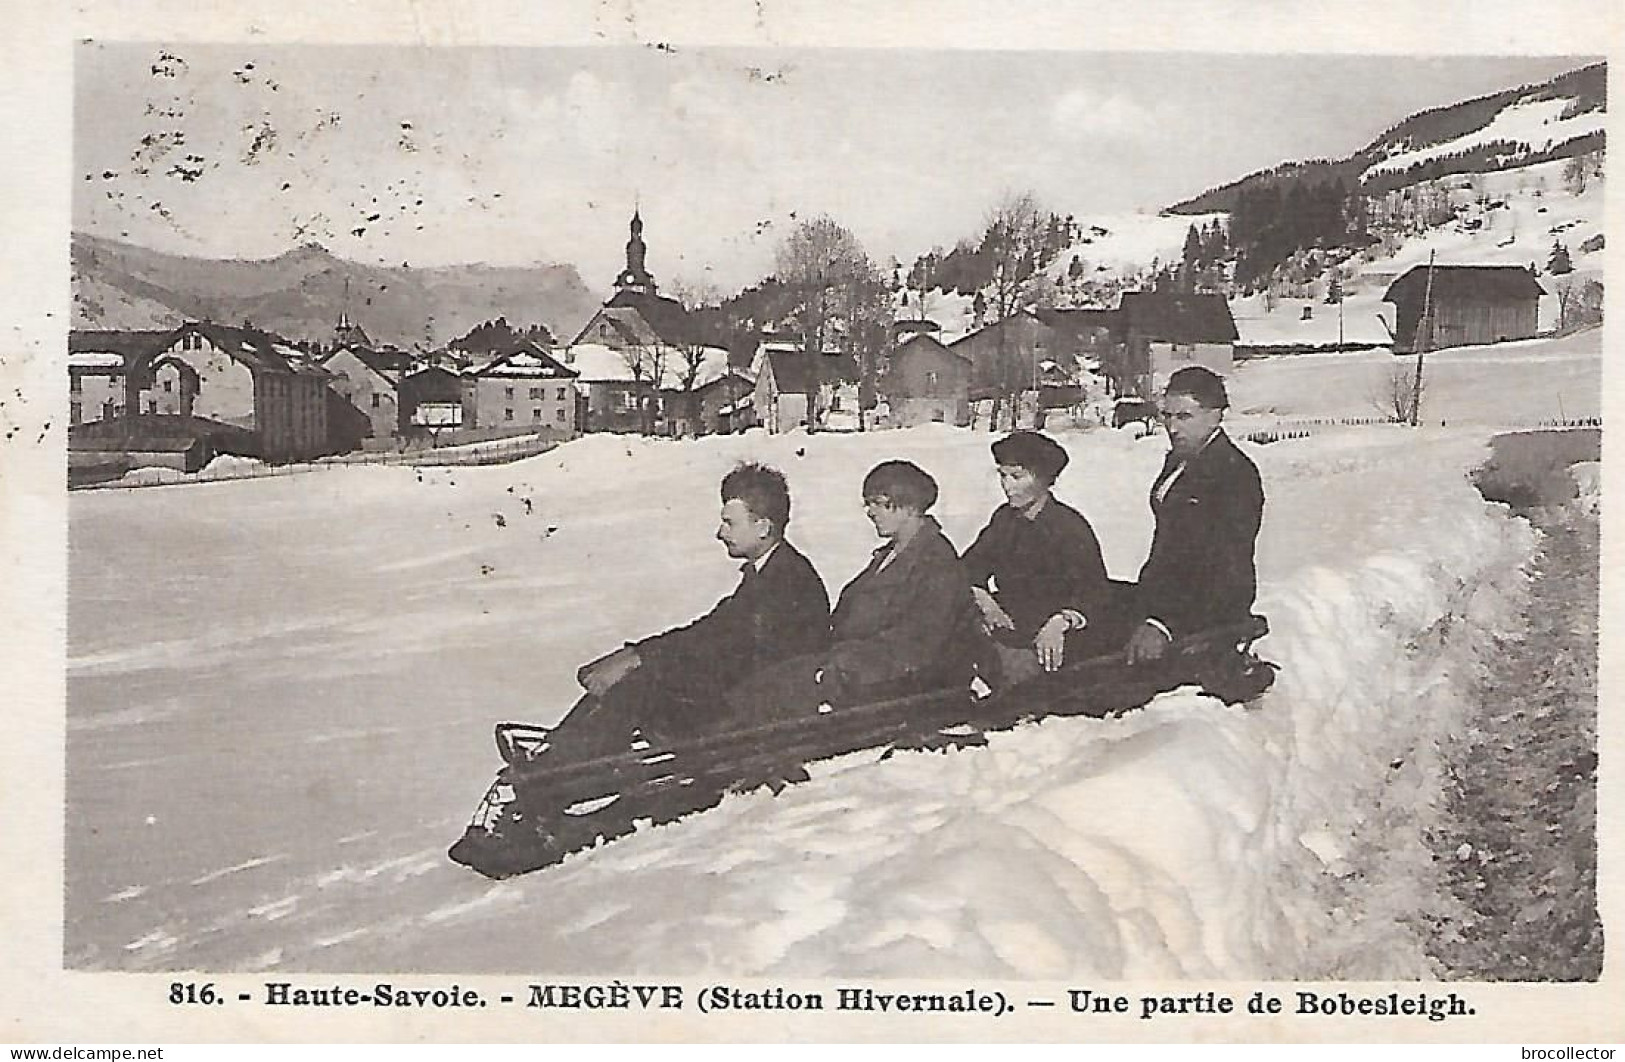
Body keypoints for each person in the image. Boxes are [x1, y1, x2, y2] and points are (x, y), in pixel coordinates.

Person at [549, 462, 831, 756]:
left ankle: (556, 771)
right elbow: (710, 630)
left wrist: (644, 663)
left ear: (762, 527)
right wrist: (636, 655)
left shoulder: (789, 581)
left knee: (640, 683)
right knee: (631, 678)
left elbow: (726, 652)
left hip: (759, 716)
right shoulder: (768, 572)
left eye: (730, 523)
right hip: (746, 699)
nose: (719, 533)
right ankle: (555, 754)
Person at [726, 460, 980, 715]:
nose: (870, 511)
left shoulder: (936, 561)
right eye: (868, 503)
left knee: (766, 696)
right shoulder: (891, 555)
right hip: (861, 668)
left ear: (909, 506)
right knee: (763, 681)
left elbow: (917, 642)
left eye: (878, 503)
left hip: (903, 682)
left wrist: (840, 667)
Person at [1124, 366, 1265, 665]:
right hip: (1164, 597)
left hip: (1207, 612)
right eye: (1167, 416)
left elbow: (1223, 567)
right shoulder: (1181, 460)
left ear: (1216, 415)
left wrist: (1164, 623)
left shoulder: (1233, 474)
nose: (1172, 427)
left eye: (1184, 417)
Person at [962, 430, 1111, 682]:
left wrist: (1061, 621)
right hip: (1010, 623)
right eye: (1003, 475)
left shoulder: (1068, 526)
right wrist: (984, 600)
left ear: (1044, 479)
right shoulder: (1004, 519)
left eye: (1017, 476)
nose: (1007, 485)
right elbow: (970, 566)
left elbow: (1094, 592)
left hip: (1055, 638)